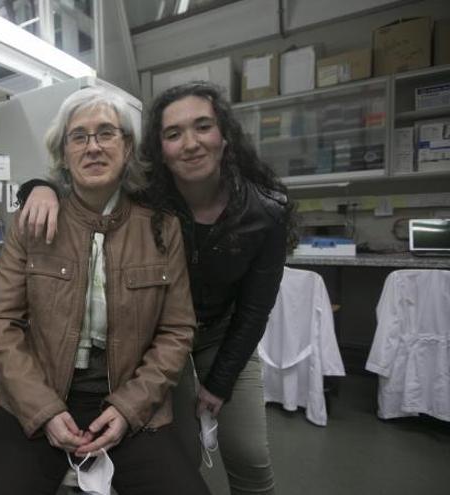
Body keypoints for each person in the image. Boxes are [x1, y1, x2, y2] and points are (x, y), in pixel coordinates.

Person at [16, 81, 296, 495]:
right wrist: (39, 188)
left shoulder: (266, 212)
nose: (190, 143)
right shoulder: (149, 198)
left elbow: (254, 311)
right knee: (177, 451)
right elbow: (87, 179)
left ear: (225, 136)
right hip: (161, 339)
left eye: (203, 127)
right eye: (173, 133)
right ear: (157, 148)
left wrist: (219, 383)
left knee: (249, 453)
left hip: (225, 335)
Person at [0, 86, 210, 495]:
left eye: (106, 133)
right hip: (36, 400)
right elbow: (0, 322)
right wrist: (44, 410)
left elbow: (177, 331)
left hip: (131, 402)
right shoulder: (31, 223)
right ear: (64, 153)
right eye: (79, 137)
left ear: (128, 146)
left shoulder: (161, 228)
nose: (93, 147)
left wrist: (128, 407)